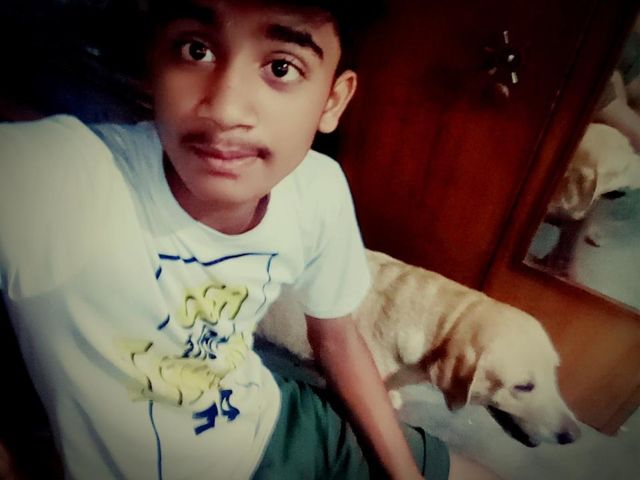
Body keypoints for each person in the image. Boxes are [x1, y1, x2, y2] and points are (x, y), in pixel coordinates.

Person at [0, 1, 500, 478]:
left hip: (275, 424)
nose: (225, 109)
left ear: (332, 102)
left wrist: (405, 472)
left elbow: (337, 337)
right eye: (196, 50)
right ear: (154, 64)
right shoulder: (63, 179)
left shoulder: (317, 187)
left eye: (281, 67)